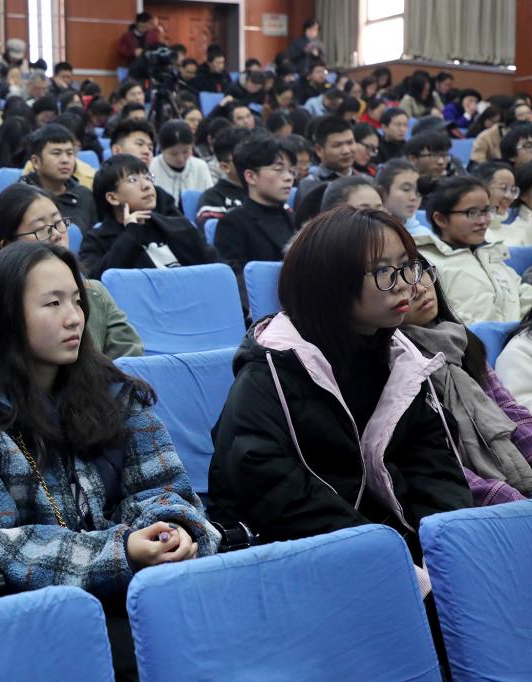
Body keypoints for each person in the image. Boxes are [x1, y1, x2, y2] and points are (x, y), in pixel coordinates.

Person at [0, 239, 217, 681]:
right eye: (53, 303)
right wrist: (121, 551)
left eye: (76, 300)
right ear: (5, 316)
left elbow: (165, 487)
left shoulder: (114, 393)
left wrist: (172, 531)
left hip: (144, 589)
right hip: (38, 618)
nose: (75, 317)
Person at [209, 206, 473, 565]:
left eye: (407, 266)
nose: (406, 285)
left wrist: (441, 554)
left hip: (395, 549)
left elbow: (435, 470)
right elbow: (273, 492)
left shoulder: (403, 361)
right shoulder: (269, 372)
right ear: (330, 283)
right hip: (305, 557)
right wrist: (390, 558)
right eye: (383, 271)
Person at [401, 260, 532, 504]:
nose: (419, 288)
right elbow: (444, 466)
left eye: (419, 272)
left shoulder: (460, 341)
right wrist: (518, 507)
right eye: (402, 281)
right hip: (471, 502)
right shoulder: (397, 366)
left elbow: (512, 412)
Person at [0, 183, 142, 359]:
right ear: (9, 246)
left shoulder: (94, 291)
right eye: (41, 229)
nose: (57, 234)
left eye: (58, 223)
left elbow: (128, 352)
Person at [415, 176, 532, 325]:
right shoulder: (429, 265)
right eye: (472, 213)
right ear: (441, 219)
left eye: (487, 210)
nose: (483, 221)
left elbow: (522, 295)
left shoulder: (488, 253)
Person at [81, 154, 218, 279]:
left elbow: (217, 271)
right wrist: (131, 233)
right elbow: (96, 284)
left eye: (148, 178)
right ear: (112, 198)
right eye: (133, 180)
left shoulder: (180, 227)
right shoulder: (96, 241)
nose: (147, 185)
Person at [215, 134, 297, 302]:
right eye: (278, 169)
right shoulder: (232, 224)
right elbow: (237, 284)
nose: (289, 177)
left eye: (291, 171)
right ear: (251, 176)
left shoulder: (293, 218)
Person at [17, 124, 97, 232]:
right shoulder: (20, 198)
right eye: (56, 153)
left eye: (70, 153)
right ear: (36, 162)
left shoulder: (84, 195)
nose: (65, 160)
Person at [108, 118, 182, 217]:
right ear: (117, 150)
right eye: (139, 144)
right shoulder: (101, 189)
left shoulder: (159, 196)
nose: (147, 151)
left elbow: (182, 224)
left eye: (150, 148)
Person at [149, 119, 213, 208]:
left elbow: (210, 200)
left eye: (185, 152)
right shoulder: (151, 166)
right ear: (162, 150)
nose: (180, 159)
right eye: (173, 154)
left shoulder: (200, 166)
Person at [296, 116, 356, 208]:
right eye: (337, 145)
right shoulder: (309, 185)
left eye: (350, 143)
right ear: (319, 150)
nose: (346, 151)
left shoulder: (367, 181)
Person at [195, 126, 251, 224]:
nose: (253, 160)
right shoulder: (213, 198)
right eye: (243, 157)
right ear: (225, 167)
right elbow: (213, 231)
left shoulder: (266, 190)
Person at [472, 161, 526, 246]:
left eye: (513, 190)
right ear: (482, 188)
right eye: (503, 188)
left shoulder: (518, 232)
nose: (509, 196)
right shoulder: (471, 235)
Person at [376, 158, 429, 236]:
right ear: (382, 193)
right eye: (406, 189)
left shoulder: (426, 235)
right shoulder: (370, 233)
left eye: (418, 191)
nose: (413, 197)